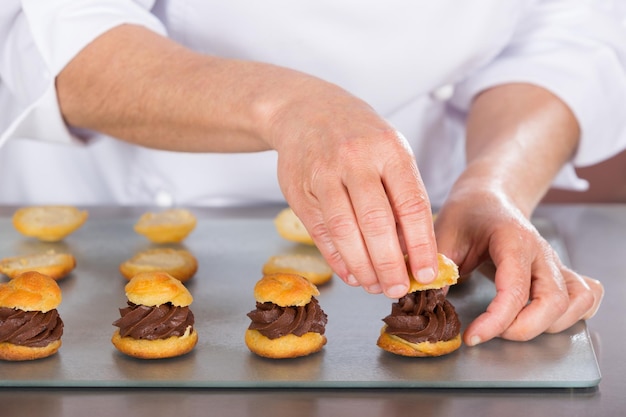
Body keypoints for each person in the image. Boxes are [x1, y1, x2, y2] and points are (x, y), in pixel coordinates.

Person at [1, 0, 623, 347]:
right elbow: (55, 34)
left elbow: (564, 37)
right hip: (117, 190)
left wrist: (493, 185)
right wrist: (288, 107)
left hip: (422, 212)